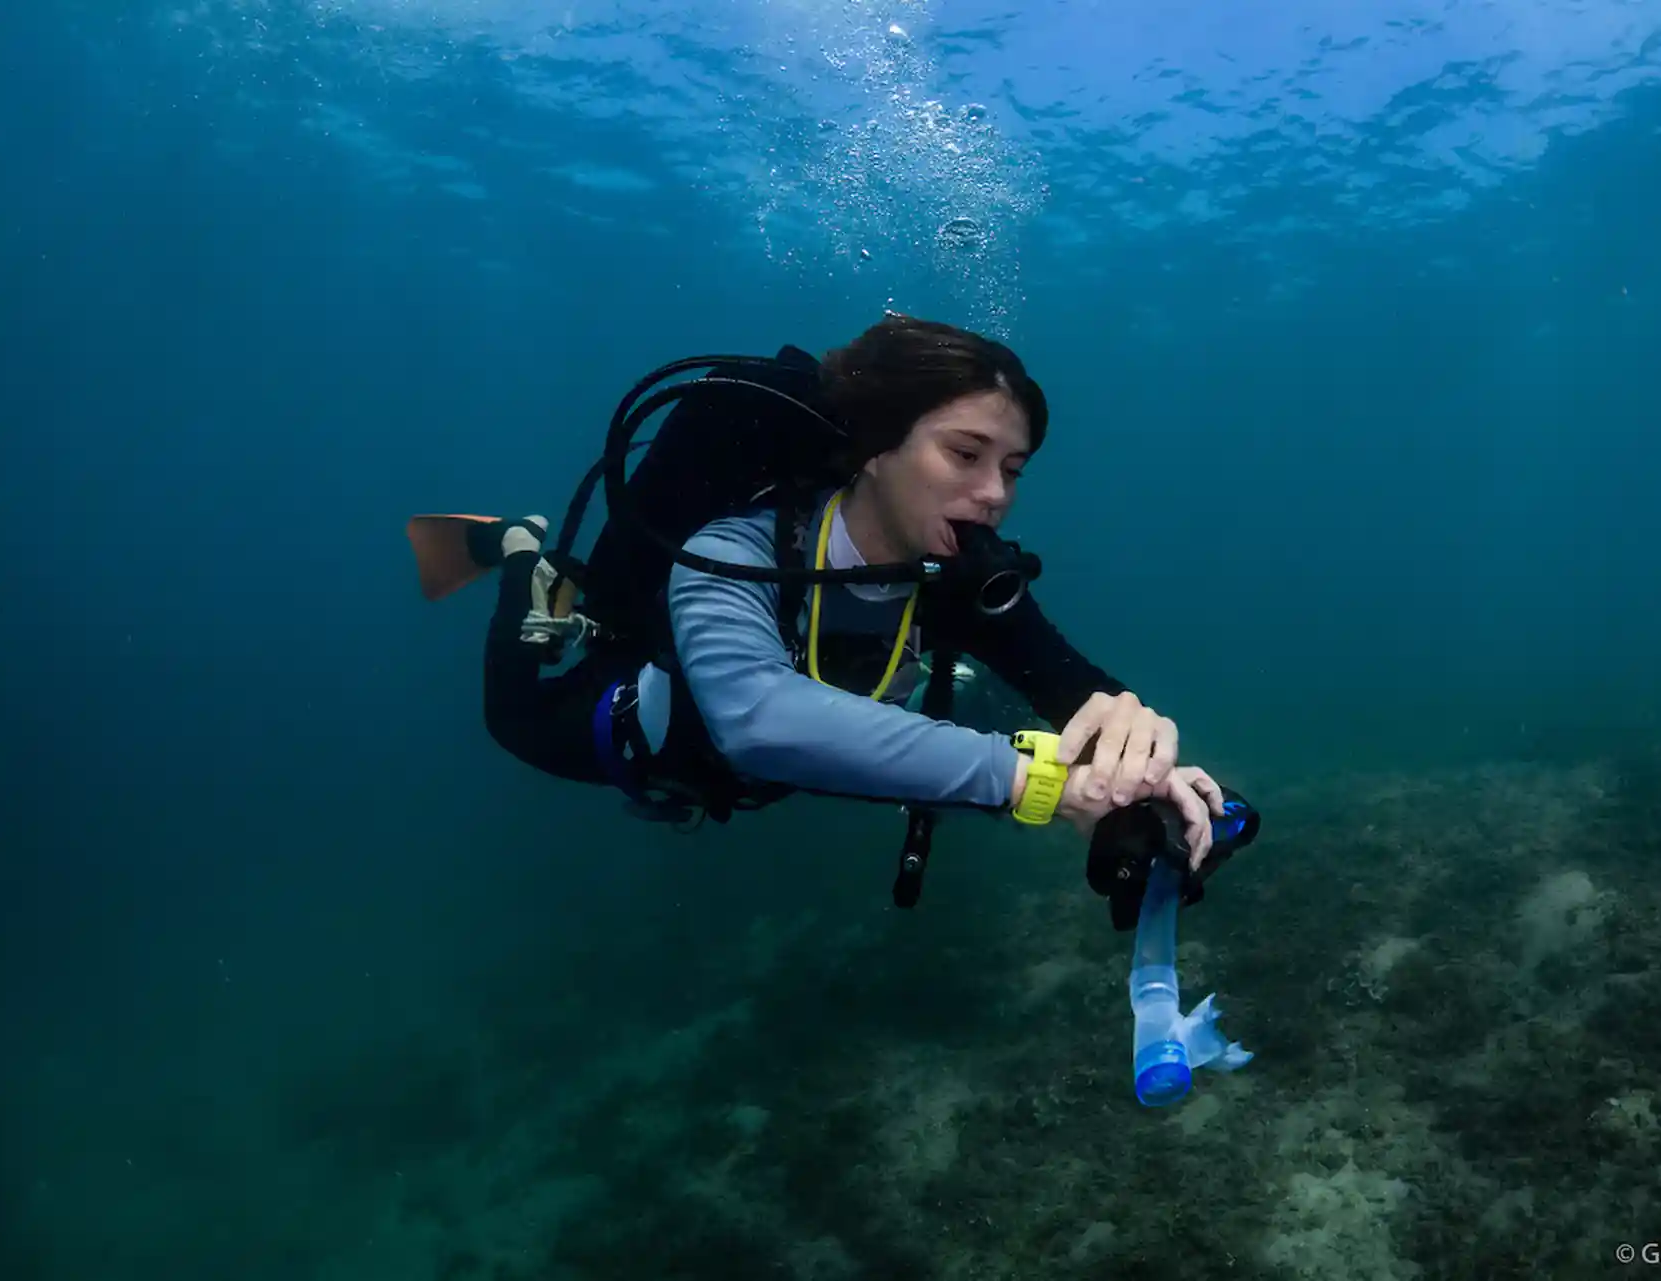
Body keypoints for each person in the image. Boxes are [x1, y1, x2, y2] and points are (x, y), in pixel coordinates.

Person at [408, 313, 1246, 908]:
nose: (995, 493)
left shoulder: (957, 577)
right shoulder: (735, 549)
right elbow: (757, 720)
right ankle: (521, 553)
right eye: (965, 453)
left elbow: (1072, 685)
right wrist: (1040, 784)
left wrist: (1149, 767)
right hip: (644, 740)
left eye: (1013, 469)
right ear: (877, 447)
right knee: (511, 718)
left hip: (768, 774)